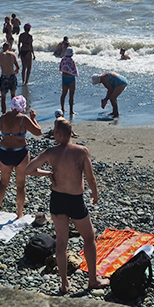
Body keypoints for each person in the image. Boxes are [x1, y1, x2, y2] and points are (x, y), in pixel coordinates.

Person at [25, 118, 110, 295]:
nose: (53, 134)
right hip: (75, 201)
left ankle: (64, 283)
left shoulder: (51, 152)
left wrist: (48, 173)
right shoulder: (81, 151)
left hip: (57, 200)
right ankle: (92, 280)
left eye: (54, 132)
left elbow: (29, 169)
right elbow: (90, 176)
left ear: (59, 134)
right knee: (89, 237)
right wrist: (94, 193)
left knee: (62, 243)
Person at [0, 95, 43, 218]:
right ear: (23, 107)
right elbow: (38, 132)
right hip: (20, 153)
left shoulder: (3, 118)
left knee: (3, 183)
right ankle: (19, 213)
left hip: (4, 152)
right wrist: (33, 119)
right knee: (20, 184)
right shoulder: (23, 119)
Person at [0, 42, 20, 114]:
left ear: (3, 48)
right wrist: (16, 70)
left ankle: (4, 114)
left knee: (3, 97)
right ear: (9, 47)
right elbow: (17, 66)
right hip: (11, 76)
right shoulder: (12, 54)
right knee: (13, 96)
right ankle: (13, 112)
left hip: (4, 76)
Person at [59, 47, 78, 117]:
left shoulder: (63, 59)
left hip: (64, 78)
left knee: (63, 94)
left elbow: (60, 68)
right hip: (71, 79)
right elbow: (74, 70)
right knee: (71, 95)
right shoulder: (71, 60)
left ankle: (62, 109)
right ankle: (71, 111)